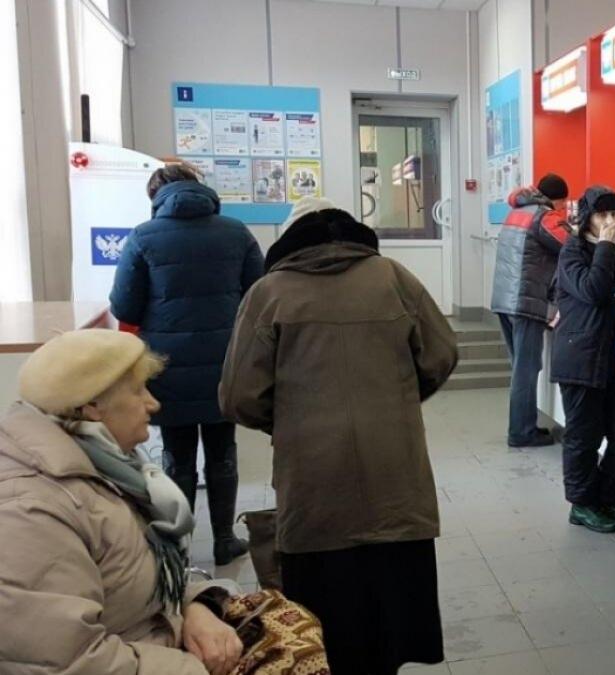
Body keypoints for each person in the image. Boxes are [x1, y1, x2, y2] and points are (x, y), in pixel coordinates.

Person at [219, 197, 458, 674]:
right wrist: (397, 399)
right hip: (395, 480)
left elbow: (238, 396)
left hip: (314, 489)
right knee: (391, 621)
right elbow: (441, 354)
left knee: (321, 632)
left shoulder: (269, 293)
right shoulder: (393, 278)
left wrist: (287, 421)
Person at [0, 330, 242, 674]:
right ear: (92, 407)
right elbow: (70, 663)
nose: (153, 404)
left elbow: (129, 582)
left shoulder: (105, 469)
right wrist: (192, 667)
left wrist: (196, 607)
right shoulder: (31, 510)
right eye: (139, 390)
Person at [109, 164, 264, 566]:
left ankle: (181, 548)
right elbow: (260, 295)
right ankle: (225, 540)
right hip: (224, 359)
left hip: (168, 364)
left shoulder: (143, 236)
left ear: (156, 197)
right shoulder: (236, 232)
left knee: (177, 456)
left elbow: (125, 307)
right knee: (222, 450)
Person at [551, 186, 615, 534]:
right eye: (602, 214)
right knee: (584, 438)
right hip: (580, 359)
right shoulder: (572, 251)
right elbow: (593, 290)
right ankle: (582, 504)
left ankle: (607, 498)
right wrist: (604, 247)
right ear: (587, 218)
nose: (610, 221)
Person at [491, 174, 573, 448]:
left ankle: (522, 426)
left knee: (519, 367)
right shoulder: (545, 217)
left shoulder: (517, 212)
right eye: (563, 204)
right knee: (526, 370)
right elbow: (572, 246)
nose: (563, 210)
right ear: (556, 200)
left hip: (504, 299)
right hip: (525, 302)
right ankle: (521, 432)